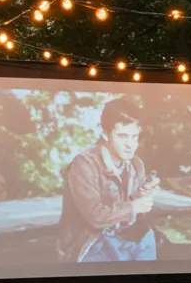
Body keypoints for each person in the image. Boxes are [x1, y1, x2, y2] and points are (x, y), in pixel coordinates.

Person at [57, 98, 158, 262]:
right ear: (105, 134)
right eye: (122, 136)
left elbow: (133, 213)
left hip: (122, 239)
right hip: (89, 244)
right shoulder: (83, 164)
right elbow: (95, 217)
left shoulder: (136, 164)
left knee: (148, 238)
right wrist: (133, 207)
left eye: (135, 137)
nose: (130, 145)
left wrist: (141, 195)